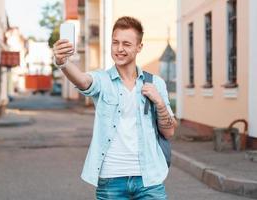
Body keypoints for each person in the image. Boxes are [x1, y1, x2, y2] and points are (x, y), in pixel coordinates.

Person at [53, 16, 177, 200]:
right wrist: (62, 62)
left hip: (149, 180)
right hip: (111, 180)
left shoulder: (155, 83)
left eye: (126, 44)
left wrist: (159, 102)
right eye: (115, 42)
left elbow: (169, 132)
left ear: (139, 47)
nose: (119, 49)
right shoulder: (102, 80)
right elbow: (83, 80)